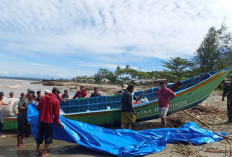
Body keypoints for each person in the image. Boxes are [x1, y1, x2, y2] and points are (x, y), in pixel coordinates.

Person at [36, 87, 63, 157]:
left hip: (41, 120)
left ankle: (37, 151)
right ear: (56, 92)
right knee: (48, 137)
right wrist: (59, 124)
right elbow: (56, 115)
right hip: (48, 121)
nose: (58, 94)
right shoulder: (56, 101)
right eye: (58, 93)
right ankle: (44, 153)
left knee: (39, 136)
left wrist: (43, 112)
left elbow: (38, 107)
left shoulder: (43, 97)